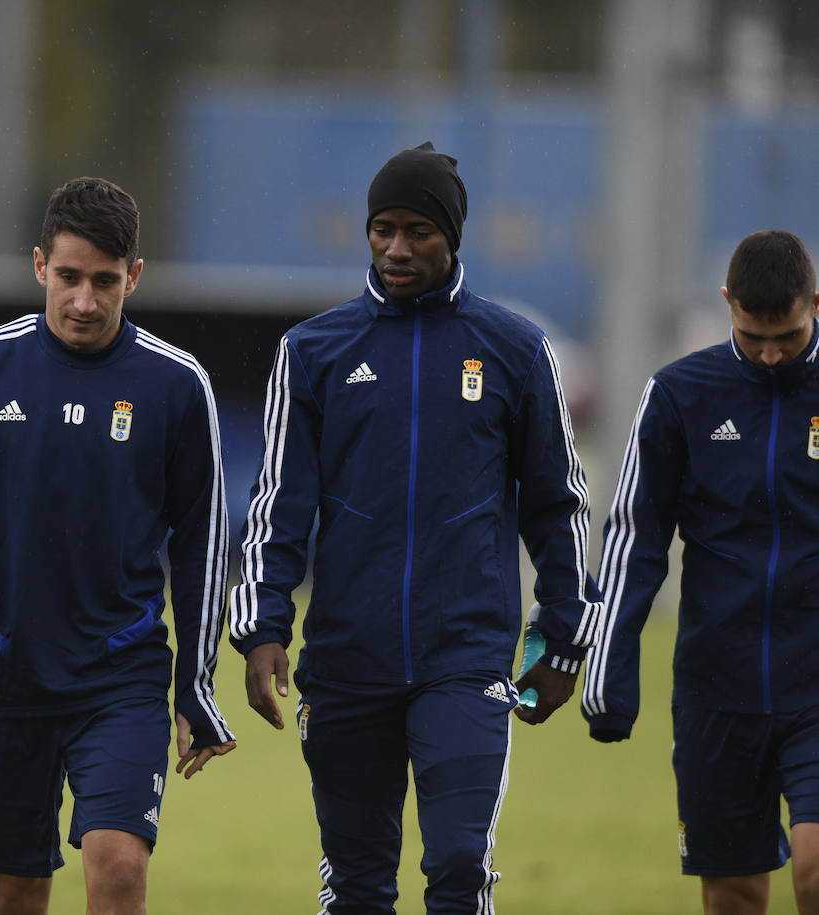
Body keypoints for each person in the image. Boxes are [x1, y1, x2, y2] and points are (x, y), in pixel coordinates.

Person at [228, 142, 602, 913]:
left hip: (464, 661)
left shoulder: (514, 349)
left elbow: (557, 503)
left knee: (459, 865)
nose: (397, 248)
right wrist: (262, 626)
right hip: (345, 665)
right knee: (359, 886)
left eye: (418, 231)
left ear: (452, 237)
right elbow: (278, 506)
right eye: (383, 228)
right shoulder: (313, 352)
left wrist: (562, 633)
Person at [0, 176, 235, 915]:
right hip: (1, 666)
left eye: (104, 281)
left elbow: (202, 539)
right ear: (38, 266)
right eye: (68, 278)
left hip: (118, 673)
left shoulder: (176, 383)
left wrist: (196, 678)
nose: (84, 301)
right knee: (17, 890)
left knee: (118, 864)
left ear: (134, 276)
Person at [583, 229, 819, 915]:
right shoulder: (682, 395)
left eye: (790, 336)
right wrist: (609, 666)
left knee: (814, 870)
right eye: (752, 337)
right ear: (727, 304)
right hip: (718, 687)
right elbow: (635, 537)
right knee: (735, 897)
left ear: (816, 305)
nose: (770, 353)